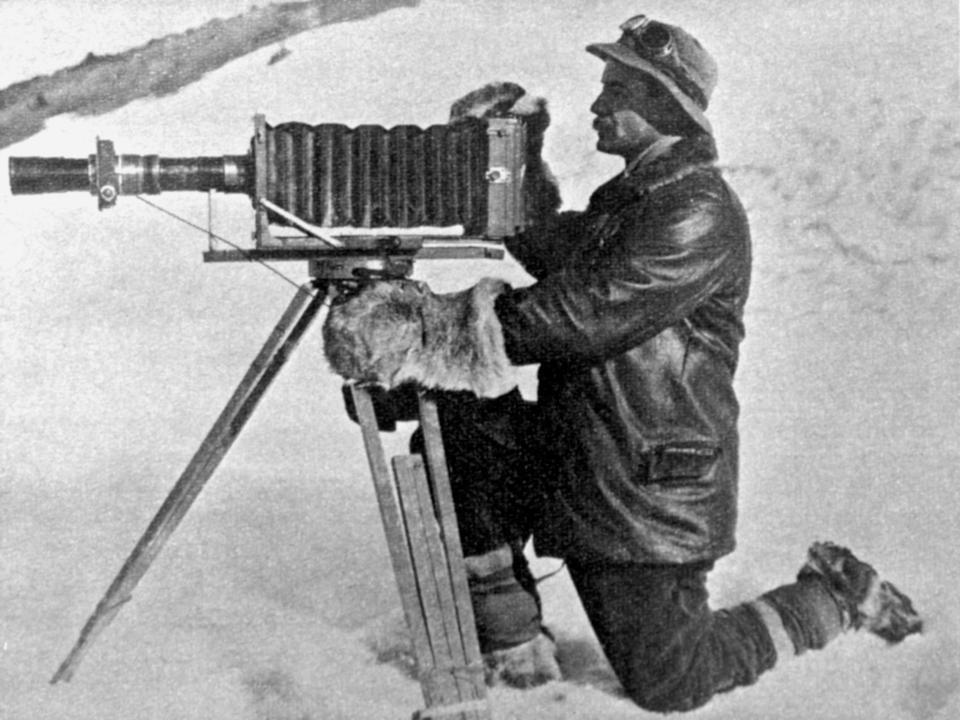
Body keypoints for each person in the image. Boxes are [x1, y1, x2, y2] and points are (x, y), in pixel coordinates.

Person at [324, 14, 923, 712]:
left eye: (615, 91)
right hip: (583, 453)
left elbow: (583, 311)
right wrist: (512, 157)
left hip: (642, 485)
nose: (597, 106)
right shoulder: (637, 200)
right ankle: (513, 637)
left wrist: (426, 330)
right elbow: (556, 252)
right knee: (456, 418)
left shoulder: (696, 211)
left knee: (673, 681)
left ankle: (834, 598)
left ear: (665, 106)